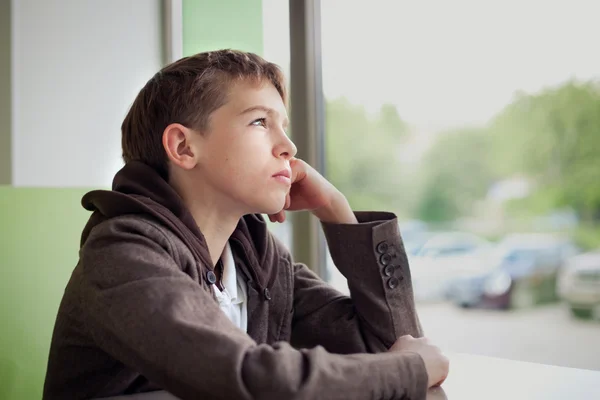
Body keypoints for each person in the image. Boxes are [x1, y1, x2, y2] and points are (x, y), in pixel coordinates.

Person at [43, 49, 449, 400]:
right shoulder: (123, 252)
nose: (288, 147)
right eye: (259, 122)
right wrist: (410, 369)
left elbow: (389, 344)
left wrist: (338, 213)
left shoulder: (257, 257)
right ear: (184, 147)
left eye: (283, 126)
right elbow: (248, 382)